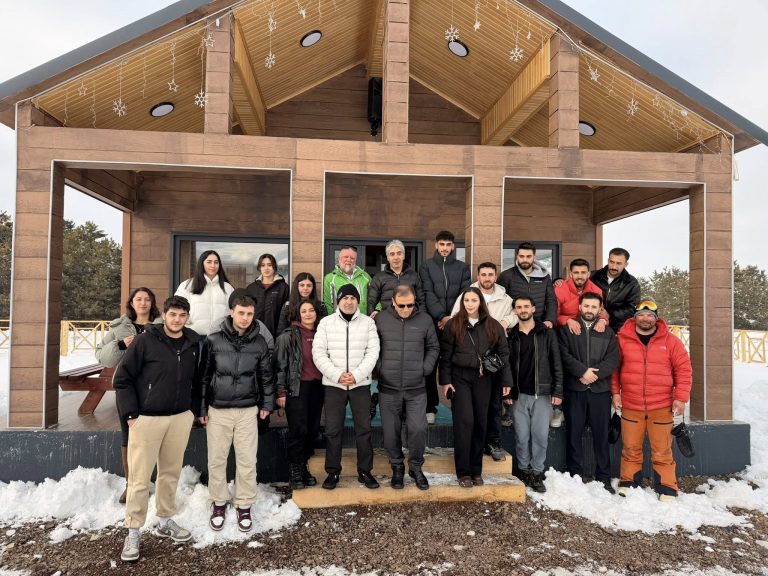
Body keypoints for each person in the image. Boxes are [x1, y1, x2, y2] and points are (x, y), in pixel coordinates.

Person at [113, 295, 202, 562]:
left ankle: (165, 520)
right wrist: (131, 415)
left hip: (179, 418)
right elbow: (123, 379)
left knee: (170, 474)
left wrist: (192, 411)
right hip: (147, 419)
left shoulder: (193, 343)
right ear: (164, 315)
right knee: (140, 479)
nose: (177, 320)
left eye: (182, 315)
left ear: (187, 317)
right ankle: (133, 532)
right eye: (172, 314)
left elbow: (197, 380)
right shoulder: (145, 341)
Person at [199, 292, 274, 532]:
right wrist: (201, 407)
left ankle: (244, 503)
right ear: (232, 312)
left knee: (247, 459)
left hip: (247, 409)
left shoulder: (259, 343)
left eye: (249, 314)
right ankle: (219, 501)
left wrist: (267, 404)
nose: (245, 318)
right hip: (218, 410)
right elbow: (204, 377)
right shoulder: (213, 340)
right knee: (217, 459)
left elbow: (266, 376)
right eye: (241, 313)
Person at [611, 298, 692, 501]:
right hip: (631, 405)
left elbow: (683, 369)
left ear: (656, 318)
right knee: (630, 448)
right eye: (641, 315)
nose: (645, 318)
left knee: (662, 450)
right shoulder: (622, 339)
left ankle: (667, 486)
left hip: (662, 406)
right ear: (635, 317)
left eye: (649, 315)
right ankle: (628, 481)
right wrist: (615, 393)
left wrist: (681, 398)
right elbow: (614, 369)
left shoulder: (671, 341)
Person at [439, 287, 512, 488]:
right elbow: (445, 355)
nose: (470, 304)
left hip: (484, 378)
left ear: (481, 302)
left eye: (474, 300)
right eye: (467, 300)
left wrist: (506, 381)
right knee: (465, 422)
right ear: (462, 303)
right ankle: (463, 472)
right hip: (460, 378)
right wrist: (446, 381)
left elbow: (503, 354)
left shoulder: (493, 325)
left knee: (480, 422)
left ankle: (475, 470)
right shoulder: (454, 324)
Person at [95, 287, 161, 505]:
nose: (143, 303)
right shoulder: (119, 327)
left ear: (152, 303)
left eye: (147, 299)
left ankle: (152, 481)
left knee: (153, 435)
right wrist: (122, 344)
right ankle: (131, 484)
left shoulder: (161, 325)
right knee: (129, 436)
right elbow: (102, 357)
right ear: (132, 303)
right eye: (138, 299)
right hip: (128, 388)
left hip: (156, 387)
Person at [313, 284, 380, 490]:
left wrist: (357, 375)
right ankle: (333, 472)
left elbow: (373, 352)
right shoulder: (326, 323)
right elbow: (318, 353)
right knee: (333, 430)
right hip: (334, 385)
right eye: (345, 298)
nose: (349, 302)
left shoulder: (368, 323)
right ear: (338, 301)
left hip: (360, 385)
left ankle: (365, 471)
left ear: (358, 301)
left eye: (353, 298)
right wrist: (337, 375)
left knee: (364, 429)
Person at [450, 262, 516, 462]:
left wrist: (505, 322)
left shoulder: (505, 298)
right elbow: (455, 317)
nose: (487, 278)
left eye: (490, 274)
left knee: (493, 405)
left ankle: (493, 442)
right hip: (471, 359)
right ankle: (471, 448)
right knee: (472, 411)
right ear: (478, 276)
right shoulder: (467, 295)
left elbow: (514, 314)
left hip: (493, 359)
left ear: (495, 276)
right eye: (483, 274)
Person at [375, 285, 439, 490]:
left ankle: (416, 467)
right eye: (401, 305)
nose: (406, 309)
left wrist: (425, 368)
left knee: (418, 429)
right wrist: (380, 368)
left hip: (416, 388)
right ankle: (397, 467)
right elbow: (372, 347)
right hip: (388, 387)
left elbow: (433, 347)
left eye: (410, 305)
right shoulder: (381, 319)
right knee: (390, 432)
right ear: (393, 302)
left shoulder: (425, 320)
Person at [557, 292, 619, 493]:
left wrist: (595, 375)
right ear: (579, 307)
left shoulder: (607, 332)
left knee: (601, 436)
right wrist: (582, 372)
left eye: (594, 307)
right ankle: (575, 475)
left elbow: (613, 359)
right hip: (575, 390)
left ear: (600, 309)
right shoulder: (568, 330)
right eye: (586, 306)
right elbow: (563, 355)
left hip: (600, 392)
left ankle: (604, 477)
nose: (589, 310)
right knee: (573, 434)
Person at [507, 295, 563, 493]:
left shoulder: (546, 333)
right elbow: (506, 366)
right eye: (519, 307)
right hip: (518, 394)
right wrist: (507, 391)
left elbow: (556, 363)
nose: (523, 310)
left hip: (542, 393)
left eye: (526, 306)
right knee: (521, 436)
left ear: (533, 309)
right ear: (515, 311)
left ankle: (537, 472)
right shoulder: (511, 336)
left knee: (540, 436)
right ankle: (524, 470)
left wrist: (557, 390)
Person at [419, 230, 471, 424]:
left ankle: (457, 405)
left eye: (448, 244)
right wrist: (441, 316)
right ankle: (430, 407)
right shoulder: (426, 266)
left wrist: (452, 318)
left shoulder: (462, 268)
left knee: (455, 365)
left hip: (456, 324)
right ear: (436, 245)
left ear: (453, 246)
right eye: (442, 244)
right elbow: (427, 293)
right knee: (430, 366)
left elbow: (465, 295)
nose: (445, 248)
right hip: (433, 324)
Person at [274, 299, 325, 490]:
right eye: (304, 311)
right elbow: (279, 366)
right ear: (298, 314)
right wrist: (281, 391)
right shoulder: (288, 336)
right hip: (297, 388)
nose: (308, 314)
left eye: (311, 310)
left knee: (312, 430)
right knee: (298, 430)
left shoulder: (322, 334)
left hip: (317, 388)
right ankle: (295, 469)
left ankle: (303, 467)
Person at [175, 250, 234, 336]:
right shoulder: (187, 285)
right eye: (209, 262)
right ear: (201, 264)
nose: (213, 265)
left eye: (216, 262)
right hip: (193, 336)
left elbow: (233, 311)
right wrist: (187, 321)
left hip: (220, 337)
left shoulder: (228, 288)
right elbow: (177, 306)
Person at [498, 242, 557, 328]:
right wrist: (505, 322)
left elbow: (551, 300)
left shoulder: (545, 276)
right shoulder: (506, 276)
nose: (525, 259)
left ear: (534, 257)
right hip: (514, 325)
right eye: (521, 256)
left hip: (539, 324)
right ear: (517, 256)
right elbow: (500, 302)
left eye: (528, 256)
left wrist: (550, 319)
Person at [367, 239, 425, 317]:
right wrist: (374, 314)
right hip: (387, 319)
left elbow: (421, 302)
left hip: (410, 319)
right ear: (388, 258)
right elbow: (371, 301)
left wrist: (420, 318)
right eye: (392, 254)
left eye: (399, 253)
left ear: (403, 255)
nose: (396, 257)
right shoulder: (379, 278)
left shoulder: (414, 276)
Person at [590, 248, 641, 331]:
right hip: (592, 324)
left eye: (618, 263)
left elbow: (632, 309)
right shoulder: (592, 276)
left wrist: (609, 314)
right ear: (608, 260)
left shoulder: (632, 283)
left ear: (626, 264)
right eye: (611, 262)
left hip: (618, 328)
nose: (614, 267)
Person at [555, 258, 609, 333]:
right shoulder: (560, 290)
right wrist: (567, 320)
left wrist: (602, 321)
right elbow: (554, 315)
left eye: (583, 272)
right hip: (565, 330)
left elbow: (601, 312)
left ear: (588, 274)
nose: (580, 276)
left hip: (588, 329)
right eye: (576, 272)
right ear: (571, 274)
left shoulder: (596, 290)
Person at [245, 253, 289, 339]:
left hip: (276, 335)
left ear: (274, 267)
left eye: (269, 265)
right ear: (259, 268)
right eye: (263, 265)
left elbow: (286, 314)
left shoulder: (283, 288)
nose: (266, 268)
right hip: (254, 335)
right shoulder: (251, 288)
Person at [322, 245, 372, 315]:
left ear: (355, 260)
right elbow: (328, 304)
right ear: (339, 259)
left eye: (352, 258)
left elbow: (374, 298)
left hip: (362, 319)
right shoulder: (330, 278)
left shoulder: (365, 277)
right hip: (339, 320)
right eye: (346, 257)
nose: (349, 260)